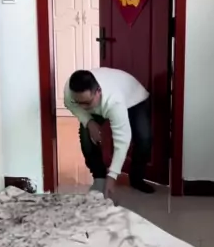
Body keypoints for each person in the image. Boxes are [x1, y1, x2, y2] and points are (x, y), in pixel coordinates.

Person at [64, 67, 155, 200]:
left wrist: (112, 176)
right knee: (86, 136)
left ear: (98, 92)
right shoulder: (70, 90)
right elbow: (71, 105)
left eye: (87, 103)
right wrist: (88, 121)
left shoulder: (114, 101)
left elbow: (122, 139)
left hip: (134, 98)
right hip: (105, 101)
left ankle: (136, 179)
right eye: (78, 102)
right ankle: (99, 177)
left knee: (144, 138)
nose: (82, 107)